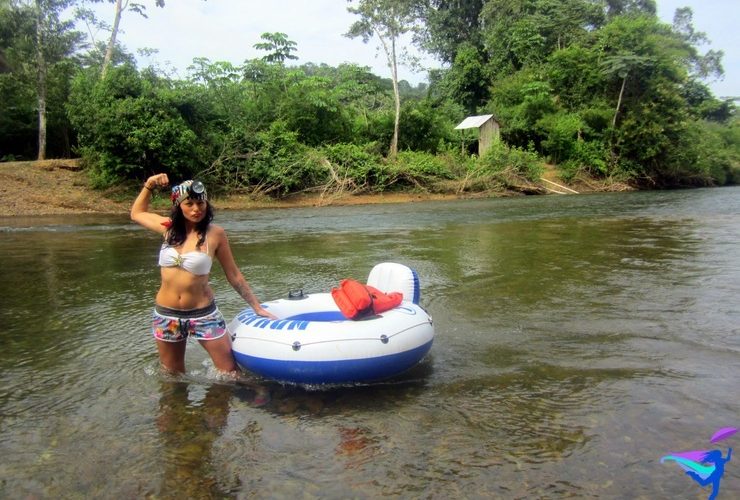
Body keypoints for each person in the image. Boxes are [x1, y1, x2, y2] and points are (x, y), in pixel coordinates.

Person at [131, 173, 277, 377]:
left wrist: (256, 307)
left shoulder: (215, 234)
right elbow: (137, 213)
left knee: (229, 373)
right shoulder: (168, 228)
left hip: (203, 314)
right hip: (167, 314)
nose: (196, 209)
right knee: (172, 376)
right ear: (178, 206)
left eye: (201, 203)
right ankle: (179, 410)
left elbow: (233, 274)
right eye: (189, 203)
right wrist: (148, 185)